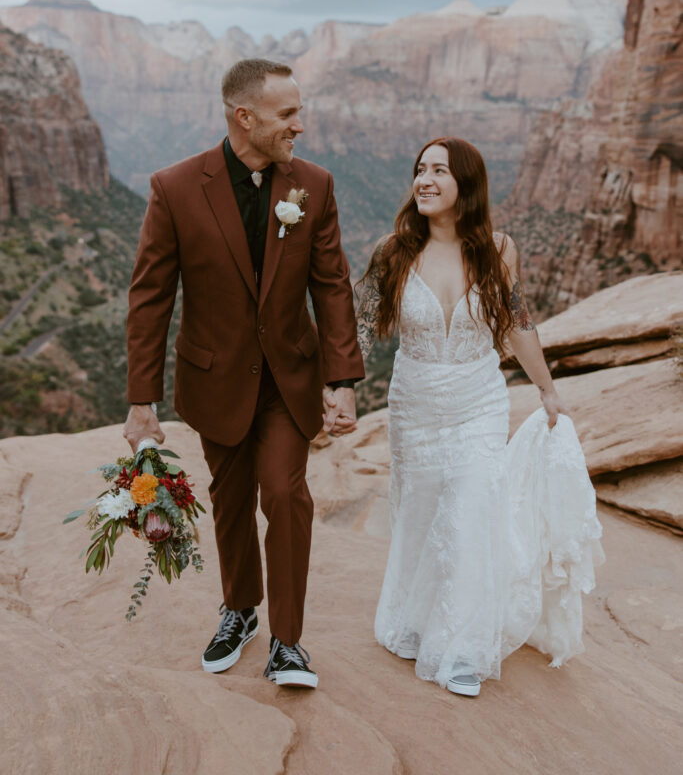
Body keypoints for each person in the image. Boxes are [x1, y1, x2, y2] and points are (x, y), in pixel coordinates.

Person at [124, 58, 363, 688]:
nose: (299, 126)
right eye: (288, 114)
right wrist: (140, 401)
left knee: (285, 495)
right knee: (229, 502)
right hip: (215, 380)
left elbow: (333, 286)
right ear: (245, 117)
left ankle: (288, 641)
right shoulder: (174, 187)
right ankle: (240, 610)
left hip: (290, 378)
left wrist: (342, 381)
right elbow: (151, 297)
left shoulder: (314, 184)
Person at [356, 137, 603, 697]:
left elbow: (518, 322)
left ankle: (464, 649)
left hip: (478, 404)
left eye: (439, 170)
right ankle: (417, 620)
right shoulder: (392, 250)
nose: (425, 179)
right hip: (413, 407)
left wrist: (547, 391)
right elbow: (360, 327)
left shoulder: (499, 249)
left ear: (466, 184)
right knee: (420, 515)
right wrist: (336, 391)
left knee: (471, 513)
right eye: (420, 169)